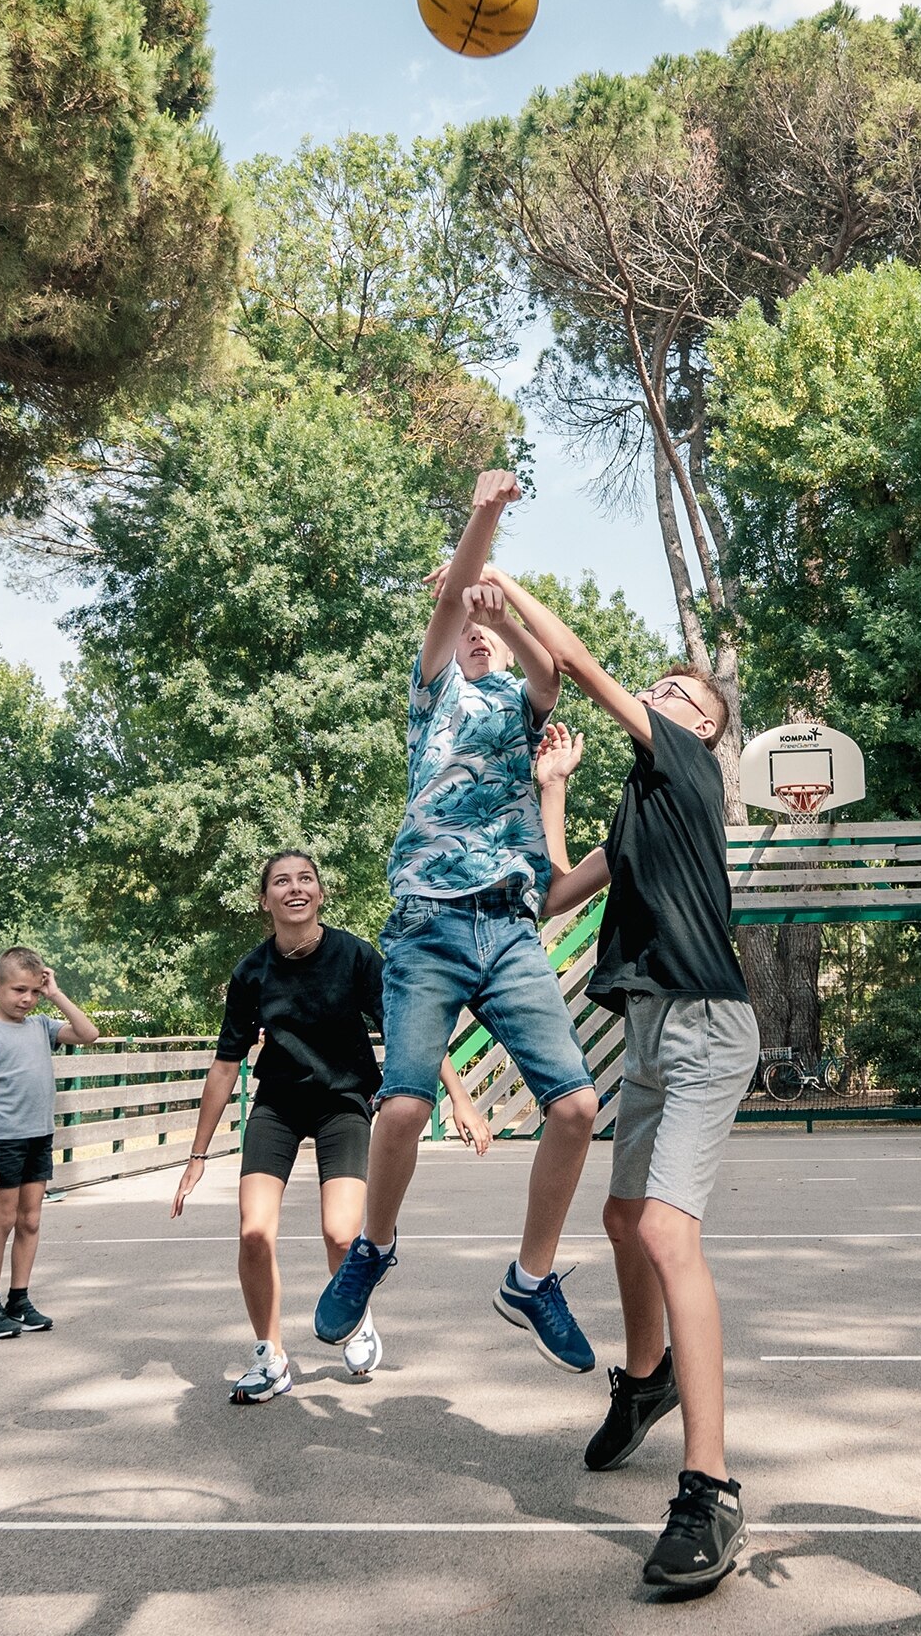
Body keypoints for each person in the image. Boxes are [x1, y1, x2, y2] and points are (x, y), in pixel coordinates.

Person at [315, 469, 608, 1375]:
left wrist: (507, 611)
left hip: (509, 930)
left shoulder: (519, 712)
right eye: (464, 628)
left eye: (485, 633)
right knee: (403, 1104)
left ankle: (530, 1276)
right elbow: (450, 603)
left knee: (578, 1107)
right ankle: (373, 1247)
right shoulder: (433, 695)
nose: (474, 636)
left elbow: (553, 669)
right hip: (430, 927)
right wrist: (484, 519)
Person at [501, 564, 757, 1595]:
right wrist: (552, 791)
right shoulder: (640, 806)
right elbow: (560, 893)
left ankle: (712, 1489)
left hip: (704, 1022)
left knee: (664, 1230)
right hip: (649, 1029)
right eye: (654, 685)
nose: (654, 690)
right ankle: (645, 1379)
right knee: (620, 1218)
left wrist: (503, 579)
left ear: (703, 722)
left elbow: (574, 660)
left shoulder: (689, 766)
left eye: (672, 686)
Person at [172, 850, 492, 1403]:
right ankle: (270, 1358)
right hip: (277, 1107)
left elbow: (407, 1029)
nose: (295, 888)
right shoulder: (252, 972)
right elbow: (226, 1065)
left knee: (343, 1233)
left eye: (305, 879)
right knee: (253, 1231)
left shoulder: (354, 956)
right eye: (281, 881)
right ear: (264, 899)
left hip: (343, 1101)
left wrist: (459, 1098)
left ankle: (356, 1313)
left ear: (320, 893)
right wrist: (197, 1157)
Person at [0, 946, 101, 1340]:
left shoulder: (41, 1026)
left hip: (39, 1136)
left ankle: (17, 1300)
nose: (26, 999)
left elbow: (89, 1035)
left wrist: (56, 994)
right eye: (18, 990)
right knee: (2, 1220)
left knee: (31, 1220)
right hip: (3, 1140)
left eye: (34, 992)